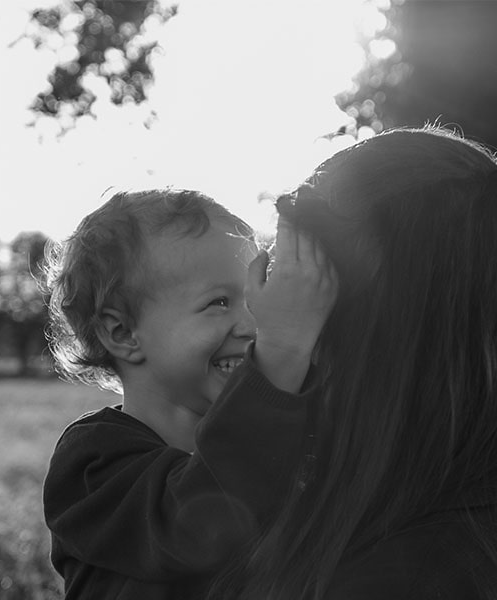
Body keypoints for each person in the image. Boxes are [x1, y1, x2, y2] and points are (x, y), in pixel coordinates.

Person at [208, 126, 497, 600]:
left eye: (288, 274)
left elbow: (198, 534)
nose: (257, 311)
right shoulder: (462, 514)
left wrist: (278, 357)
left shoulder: (402, 575)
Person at [41, 189, 337, 599]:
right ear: (123, 333)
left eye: (256, 299)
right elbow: (193, 526)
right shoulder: (92, 462)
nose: (252, 325)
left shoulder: (272, 443)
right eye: (219, 302)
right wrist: (284, 353)